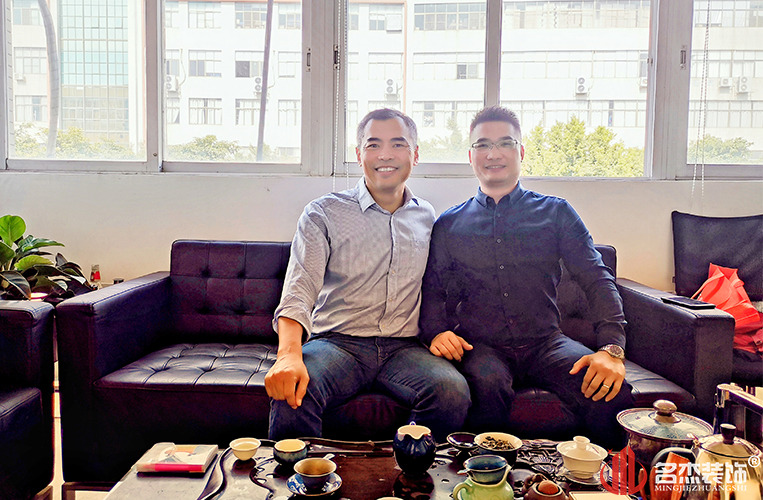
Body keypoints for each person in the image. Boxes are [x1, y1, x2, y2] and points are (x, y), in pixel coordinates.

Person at [419, 106, 632, 448]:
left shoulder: (557, 213)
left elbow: (597, 278)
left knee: (611, 390)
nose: (493, 153)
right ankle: (490, 475)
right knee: (486, 386)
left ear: (521, 152)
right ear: (471, 156)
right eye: (483, 145)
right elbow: (432, 290)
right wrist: (436, 332)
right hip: (481, 347)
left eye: (505, 143)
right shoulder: (449, 224)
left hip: (547, 343)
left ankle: (596, 475)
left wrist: (612, 347)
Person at [266, 108, 470, 441]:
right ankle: (301, 473)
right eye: (373, 145)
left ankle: (409, 465)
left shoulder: (426, 216)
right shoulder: (323, 213)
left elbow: (436, 288)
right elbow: (299, 290)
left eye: (398, 144)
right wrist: (288, 355)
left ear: (415, 154)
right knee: (296, 389)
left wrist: (438, 332)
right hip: (337, 344)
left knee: (451, 390)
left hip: (404, 348)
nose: (385, 155)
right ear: (359, 154)